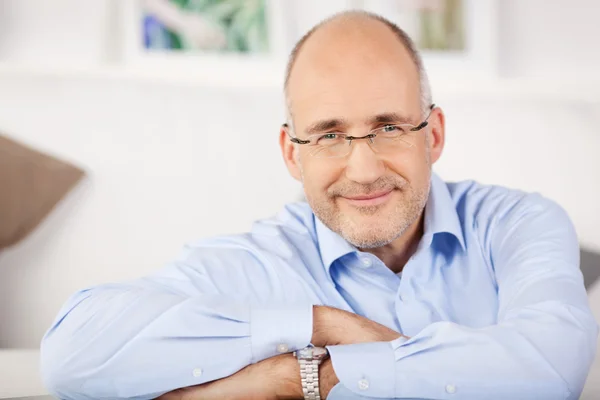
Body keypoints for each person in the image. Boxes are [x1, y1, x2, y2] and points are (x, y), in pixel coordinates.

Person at [40, 11, 597, 400]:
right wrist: (320, 324)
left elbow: (551, 369)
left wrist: (310, 379)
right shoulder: (259, 262)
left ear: (434, 134)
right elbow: (72, 353)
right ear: (291, 153)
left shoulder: (518, 223)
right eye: (329, 135)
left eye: (389, 126)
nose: (364, 169)